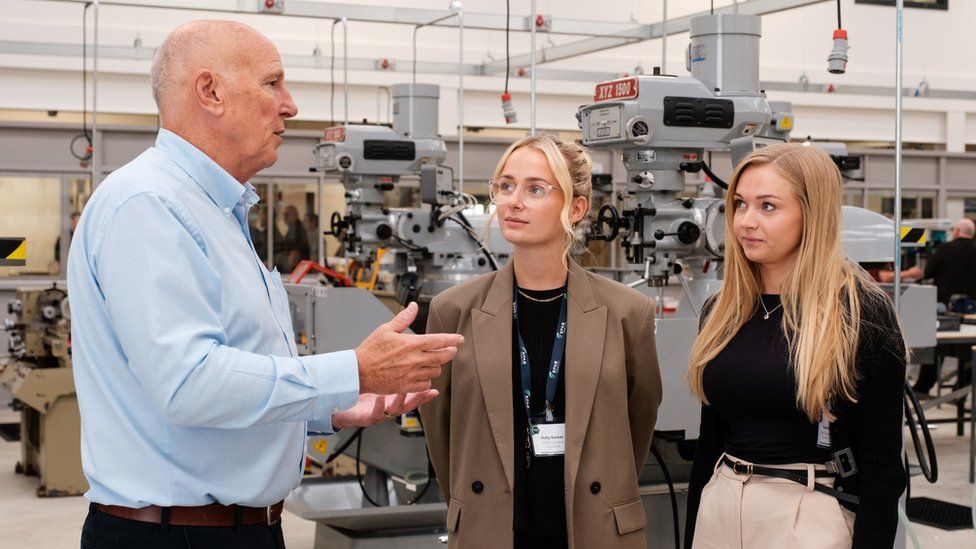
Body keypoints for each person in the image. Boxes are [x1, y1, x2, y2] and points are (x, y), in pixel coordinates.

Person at [67, 20, 462, 549]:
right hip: (176, 536)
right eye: (272, 83)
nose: (290, 105)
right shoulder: (149, 204)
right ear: (210, 92)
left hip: (235, 529)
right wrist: (355, 369)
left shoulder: (217, 210)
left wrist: (336, 405)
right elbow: (189, 385)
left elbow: (232, 369)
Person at [420, 134, 662, 549]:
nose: (514, 201)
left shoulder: (627, 312)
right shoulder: (453, 310)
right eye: (506, 185)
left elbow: (637, 422)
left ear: (576, 207)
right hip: (491, 527)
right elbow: (440, 430)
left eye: (535, 189)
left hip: (594, 527)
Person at [684, 143, 907, 549]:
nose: (746, 222)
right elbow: (710, 440)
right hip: (721, 501)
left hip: (807, 511)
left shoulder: (859, 312)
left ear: (813, 213)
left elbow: (882, 468)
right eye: (739, 204)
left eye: (768, 206)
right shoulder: (723, 309)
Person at [879, 218, 976, 396]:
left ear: (955, 231)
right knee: (970, 350)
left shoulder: (945, 249)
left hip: (944, 305)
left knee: (936, 345)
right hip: (972, 308)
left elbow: (928, 272)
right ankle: (962, 387)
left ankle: (923, 386)